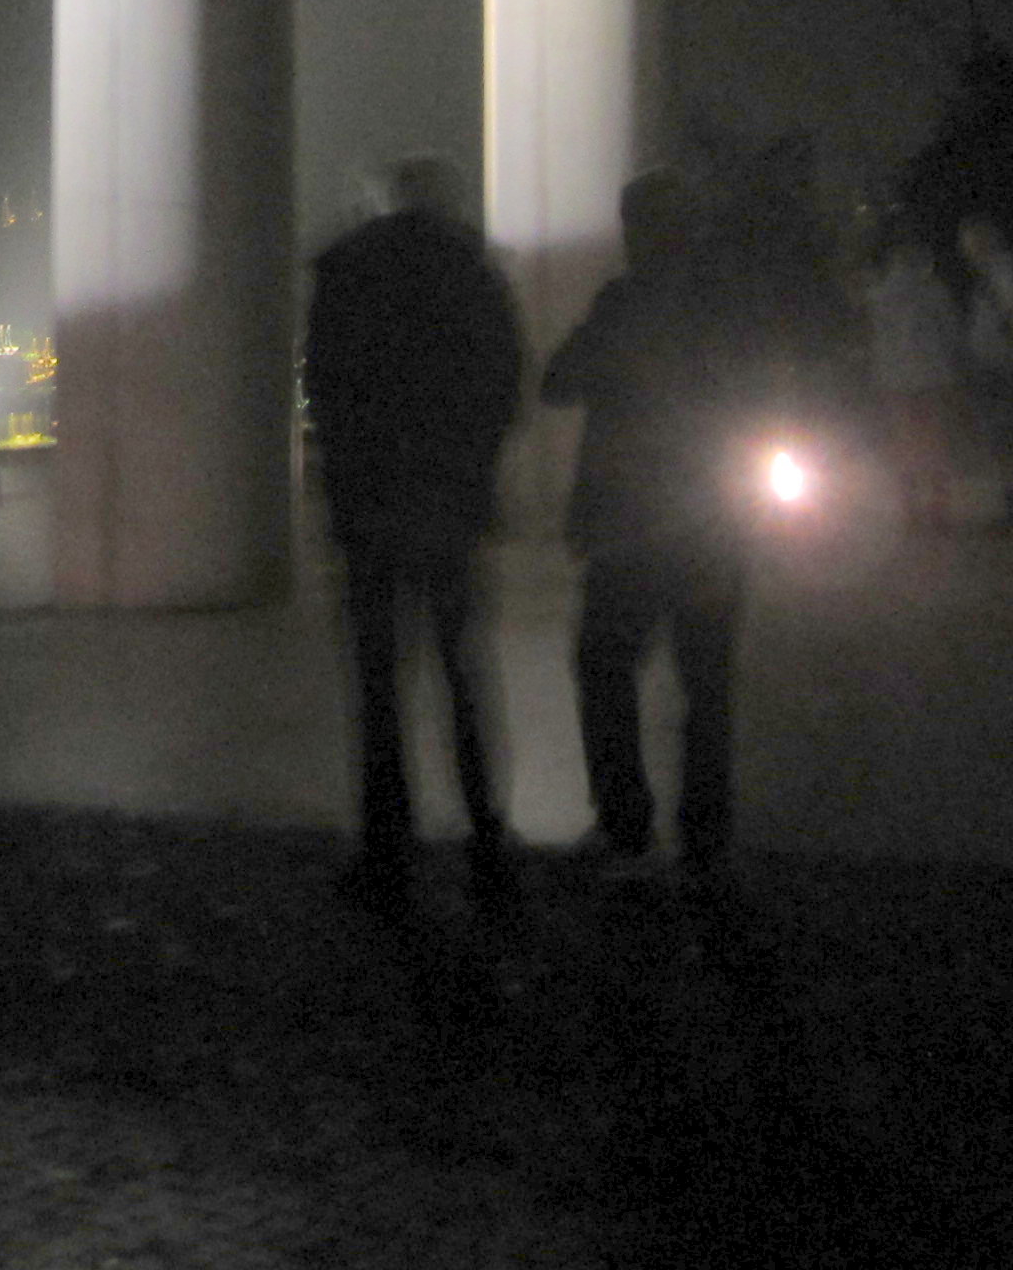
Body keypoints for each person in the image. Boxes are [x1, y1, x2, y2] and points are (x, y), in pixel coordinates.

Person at [541, 165, 801, 885]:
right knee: (704, 686)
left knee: (608, 669)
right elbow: (759, 407)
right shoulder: (730, 307)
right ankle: (704, 839)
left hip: (632, 522)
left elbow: (559, 380)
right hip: (705, 524)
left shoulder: (625, 303)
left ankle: (628, 827)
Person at [301, 153, 525, 915]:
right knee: (462, 674)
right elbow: (505, 385)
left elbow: (327, 387)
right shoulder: (472, 273)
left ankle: (385, 845)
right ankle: (485, 833)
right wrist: (473, 470)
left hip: (370, 506)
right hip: (448, 503)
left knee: (377, 685)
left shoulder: (348, 271)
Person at [865, 229, 963, 532]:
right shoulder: (934, 291)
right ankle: (938, 507)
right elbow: (951, 330)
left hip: (895, 376)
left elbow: (875, 336)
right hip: (932, 373)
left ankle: (910, 509)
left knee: (904, 441)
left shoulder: (879, 293)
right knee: (935, 440)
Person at [959, 214, 1013, 532]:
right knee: (1003, 438)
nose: (965, 248)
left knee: (1008, 437)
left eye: (969, 241)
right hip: (994, 362)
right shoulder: (992, 272)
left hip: (1000, 364)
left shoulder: (1001, 271)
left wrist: (1011, 358)